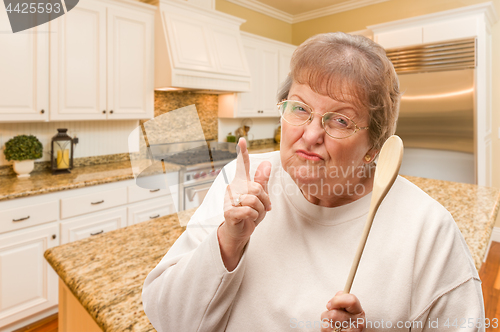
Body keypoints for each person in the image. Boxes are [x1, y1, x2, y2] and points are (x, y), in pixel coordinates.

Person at [142, 32, 484, 332]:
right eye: (300, 108)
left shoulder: (427, 229)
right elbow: (168, 318)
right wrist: (228, 240)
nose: (310, 134)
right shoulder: (244, 178)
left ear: (373, 148)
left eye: (339, 120)